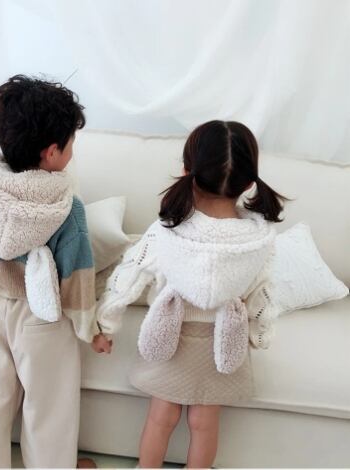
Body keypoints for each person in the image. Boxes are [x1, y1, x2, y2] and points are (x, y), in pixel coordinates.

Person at [95, 120, 287, 468]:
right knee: (204, 423)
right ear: (248, 182)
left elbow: (129, 275)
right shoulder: (258, 240)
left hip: (169, 340)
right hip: (222, 345)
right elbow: (263, 296)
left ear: (187, 171)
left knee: (161, 417)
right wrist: (260, 336)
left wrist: (106, 325)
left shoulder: (168, 229)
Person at [0, 75, 109, 468]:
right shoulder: (66, 208)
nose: (72, 151)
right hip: (43, 317)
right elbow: (75, 279)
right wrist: (90, 329)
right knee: (49, 406)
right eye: (71, 143)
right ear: (52, 152)